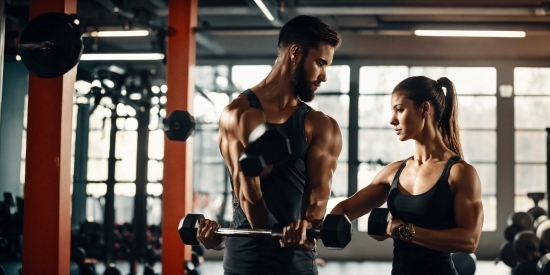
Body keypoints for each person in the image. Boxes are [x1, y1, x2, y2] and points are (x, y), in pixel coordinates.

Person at [196, 15, 343, 275]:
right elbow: (247, 194)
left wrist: (306, 230)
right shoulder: (237, 114)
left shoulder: (321, 125)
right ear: (295, 53)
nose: (324, 77)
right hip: (246, 261)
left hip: (297, 263)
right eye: (320, 63)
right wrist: (223, 240)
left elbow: (318, 196)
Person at [330, 76, 484, 275]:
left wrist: (404, 230)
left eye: (399, 109)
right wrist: (306, 228)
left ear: (425, 109)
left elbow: (469, 240)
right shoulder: (394, 172)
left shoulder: (460, 173)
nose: (392, 119)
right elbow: (344, 209)